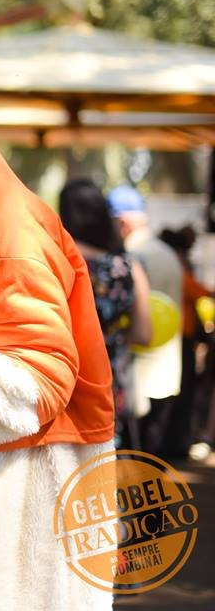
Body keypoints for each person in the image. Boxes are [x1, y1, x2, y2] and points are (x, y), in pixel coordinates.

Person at [59, 178, 152, 448]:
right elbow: (144, 333)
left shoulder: (57, 262)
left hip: (65, 379)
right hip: (109, 380)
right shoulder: (127, 267)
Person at [107, 184, 183, 456]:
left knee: (136, 461)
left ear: (123, 222)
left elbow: (137, 322)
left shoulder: (132, 258)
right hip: (167, 368)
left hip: (138, 374)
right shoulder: (168, 253)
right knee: (154, 458)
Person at [159, 225, 213, 458]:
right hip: (180, 336)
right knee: (182, 392)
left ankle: (176, 441)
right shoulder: (177, 268)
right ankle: (176, 443)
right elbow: (196, 291)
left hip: (178, 335)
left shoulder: (174, 265)